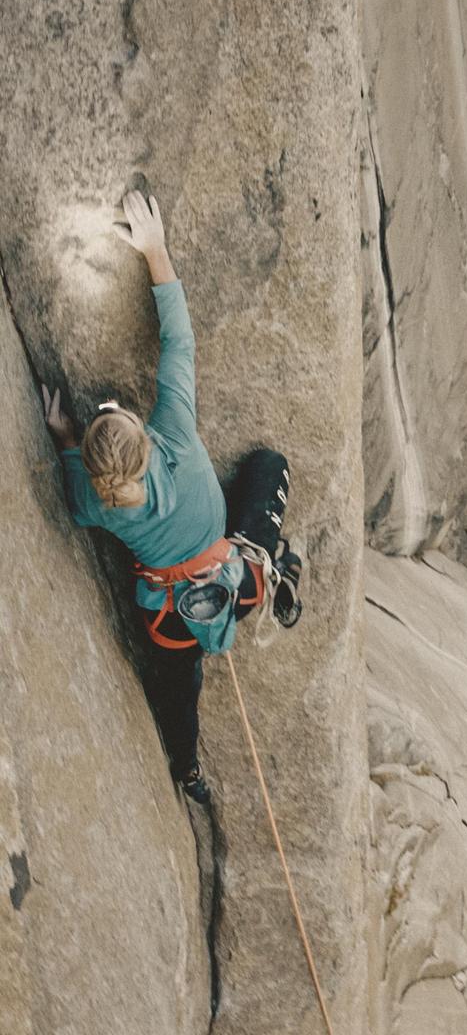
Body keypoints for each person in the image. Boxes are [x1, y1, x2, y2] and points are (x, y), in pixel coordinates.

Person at [41, 190, 301, 805]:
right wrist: (155, 250)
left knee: (176, 693)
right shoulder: (175, 438)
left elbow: (79, 500)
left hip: (171, 621)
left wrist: (65, 438)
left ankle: (187, 771)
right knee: (269, 467)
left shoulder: (98, 500)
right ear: (138, 431)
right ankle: (278, 568)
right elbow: (179, 341)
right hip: (232, 583)